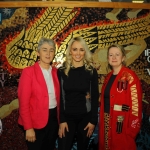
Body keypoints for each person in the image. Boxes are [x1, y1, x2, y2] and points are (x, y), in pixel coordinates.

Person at [18, 37, 60, 150]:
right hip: (34, 122)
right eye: (44, 49)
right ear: (38, 52)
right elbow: (23, 103)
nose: (48, 53)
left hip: (53, 120)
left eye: (51, 50)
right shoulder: (28, 72)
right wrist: (28, 127)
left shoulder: (56, 72)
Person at [57, 37, 99, 150]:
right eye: (75, 49)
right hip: (67, 119)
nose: (78, 53)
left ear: (85, 51)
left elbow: (95, 97)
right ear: (70, 51)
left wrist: (93, 121)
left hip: (85, 119)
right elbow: (60, 97)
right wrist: (62, 120)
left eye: (81, 49)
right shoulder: (62, 71)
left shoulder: (91, 71)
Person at [99, 44, 142, 150]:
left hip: (122, 125)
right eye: (111, 55)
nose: (114, 58)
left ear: (123, 57)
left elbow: (136, 106)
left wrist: (132, 130)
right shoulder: (108, 77)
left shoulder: (130, 77)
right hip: (106, 122)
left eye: (117, 55)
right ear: (108, 58)